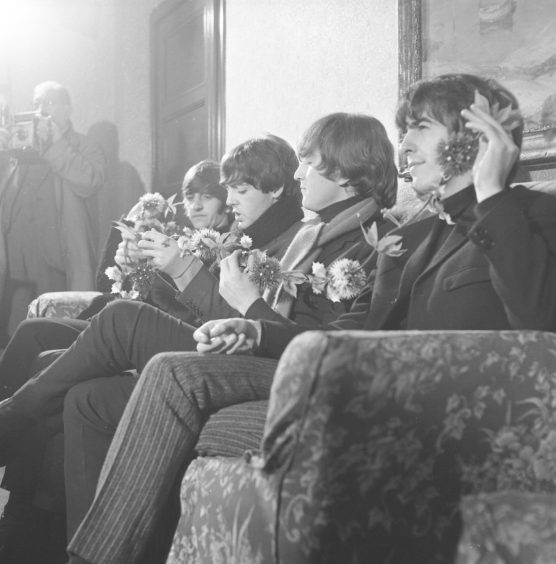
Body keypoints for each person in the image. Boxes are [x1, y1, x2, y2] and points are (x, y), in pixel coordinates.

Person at [64, 74, 556, 564]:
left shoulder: (533, 216)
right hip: (353, 385)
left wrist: (490, 196)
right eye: (404, 130)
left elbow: (540, 322)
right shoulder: (419, 233)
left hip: (433, 415)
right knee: (167, 371)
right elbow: (355, 331)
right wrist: (257, 329)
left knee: (167, 370)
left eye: (420, 128)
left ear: (475, 139)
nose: (404, 143)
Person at [0, 158, 237, 562]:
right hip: (135, 328)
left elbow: (187, 314)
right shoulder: (180, 237)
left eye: (209, 195)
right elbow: (135, 298)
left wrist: (173, 270)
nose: (196, 205)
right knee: (40, 344)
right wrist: (129, 265)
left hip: (173, 343)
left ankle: (13, 450)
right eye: (190, 196)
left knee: (67, 372)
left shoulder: (226, 243)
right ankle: (23, 516)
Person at [0, 81, 105, 338]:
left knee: (54, 331)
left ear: (67, 109)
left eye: (46, 102)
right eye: (35, 103)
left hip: (56, 258)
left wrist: (55, 143)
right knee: (13, 330)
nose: (39, 110)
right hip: (15, 261)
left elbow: (90, 181)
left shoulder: (83, 144)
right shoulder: (21, 147)